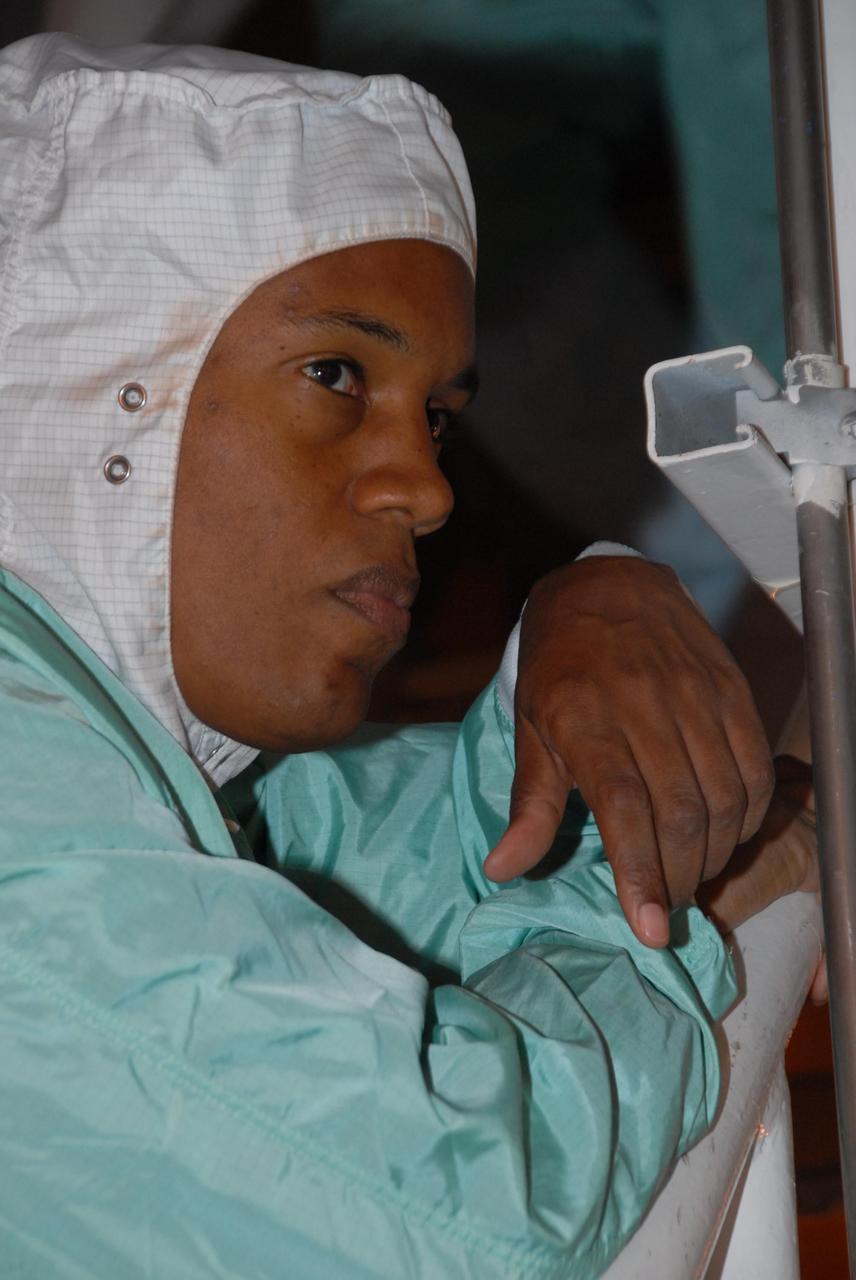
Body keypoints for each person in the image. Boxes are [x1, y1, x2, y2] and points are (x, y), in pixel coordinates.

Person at [0, 34, 816, 1279]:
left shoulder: (112, 748)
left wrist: (584, 626)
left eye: (434, 415)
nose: (428, 487)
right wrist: (670, 918)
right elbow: (451, 1213)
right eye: (336, 373)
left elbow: (396, 853)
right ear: (83, 382)